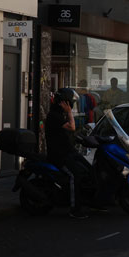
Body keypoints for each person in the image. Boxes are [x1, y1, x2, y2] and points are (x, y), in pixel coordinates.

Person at [46, 87, 92, 219]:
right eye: (70, 103)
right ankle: (74, 209)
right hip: (59, 155)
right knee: (75, 175)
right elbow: (72, 127)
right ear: (65, 102)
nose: (72, 105)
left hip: (68, 151)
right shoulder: (54, 116)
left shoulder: (60, 115)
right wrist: (70, 112)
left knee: (87, 169)